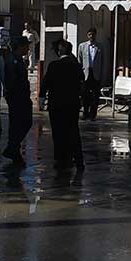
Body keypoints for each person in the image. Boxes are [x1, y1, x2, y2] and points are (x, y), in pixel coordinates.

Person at [40, 40, 85, 170]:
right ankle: (78, 159)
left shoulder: (54, 65)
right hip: (72, 104)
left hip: (57, 104)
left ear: (59, 52)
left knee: (58, 132)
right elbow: (82, 82)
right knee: (73, 131)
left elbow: (45, 83)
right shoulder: (75, 65)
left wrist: (42, 98)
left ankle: (61, 159)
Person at [3, 36, 33, 165]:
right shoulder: (12, 61)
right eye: (26, 46)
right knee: (18, 124)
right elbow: (12, 82)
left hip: (22, 97)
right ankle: (13, 149)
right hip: (17, 98)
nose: (28, 48)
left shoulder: (19, 60)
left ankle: (13, 148)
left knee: (24, 123)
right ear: (20, 46)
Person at [77, 28, 108, 120]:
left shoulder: (100, 46)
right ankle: (85, 112)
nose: (91, 36)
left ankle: (93, 114)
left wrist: (103, 75)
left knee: (95, 95)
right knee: (84, 95)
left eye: (93, 34)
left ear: (95, 35)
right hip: (86, 73)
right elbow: (80, 60)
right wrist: (79, 74)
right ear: (87, 35)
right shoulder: (82, 46)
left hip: (96, 73)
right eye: (90, 34)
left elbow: (103, 61)